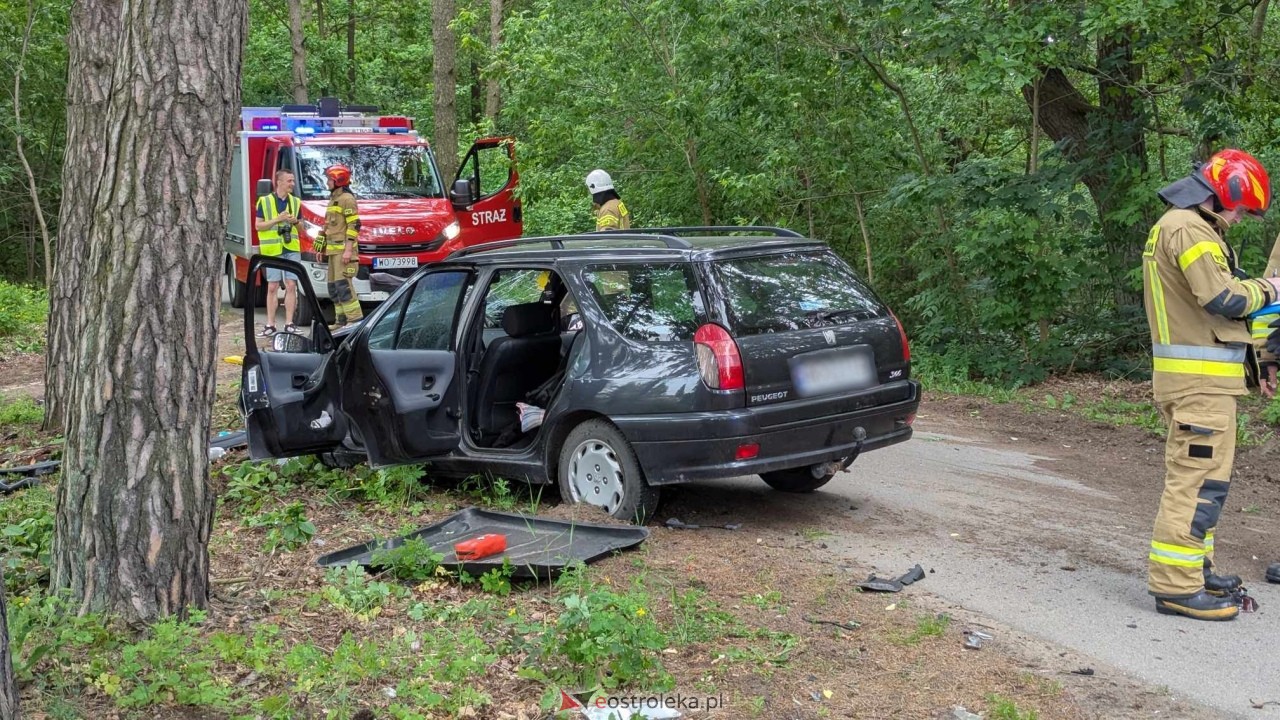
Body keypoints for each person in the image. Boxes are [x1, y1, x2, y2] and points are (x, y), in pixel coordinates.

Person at [1142, 148, 1280, 620]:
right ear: (1222, 195)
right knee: (1195, 482)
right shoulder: (1187, 227)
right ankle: (1177, 587)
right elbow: (1223, 297)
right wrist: (1272, 289)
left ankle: (1195, 568)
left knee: (1209, 484)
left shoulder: (1190, 227)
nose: (1240, 219)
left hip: (1206, 385)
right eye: (1241, 208)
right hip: (1198, 385)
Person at [254, 170, 303, 336]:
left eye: (293, 181)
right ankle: (270, 325)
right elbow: (258, 226)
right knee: (273, 286)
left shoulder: (296, 202)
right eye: (289, 181)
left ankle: (289, 323)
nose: (292, 184)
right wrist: (278, 219)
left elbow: (302, 229)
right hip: (273, 249)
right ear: (279, 182)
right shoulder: (264, 201)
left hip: (291, 248)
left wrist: (294, 221)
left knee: (291, 285)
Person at [317, 164, 364, 329]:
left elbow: (354, 225)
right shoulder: (333, 198)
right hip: (333, 251)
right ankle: (341, 320)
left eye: (329, 179)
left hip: (343, 251)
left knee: (344, 286)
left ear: (338, 180)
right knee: (334, 287)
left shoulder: (347, 199)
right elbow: (328, 226)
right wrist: (321, 245)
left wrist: (349, 250)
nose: (327, 182)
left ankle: (354, 320)